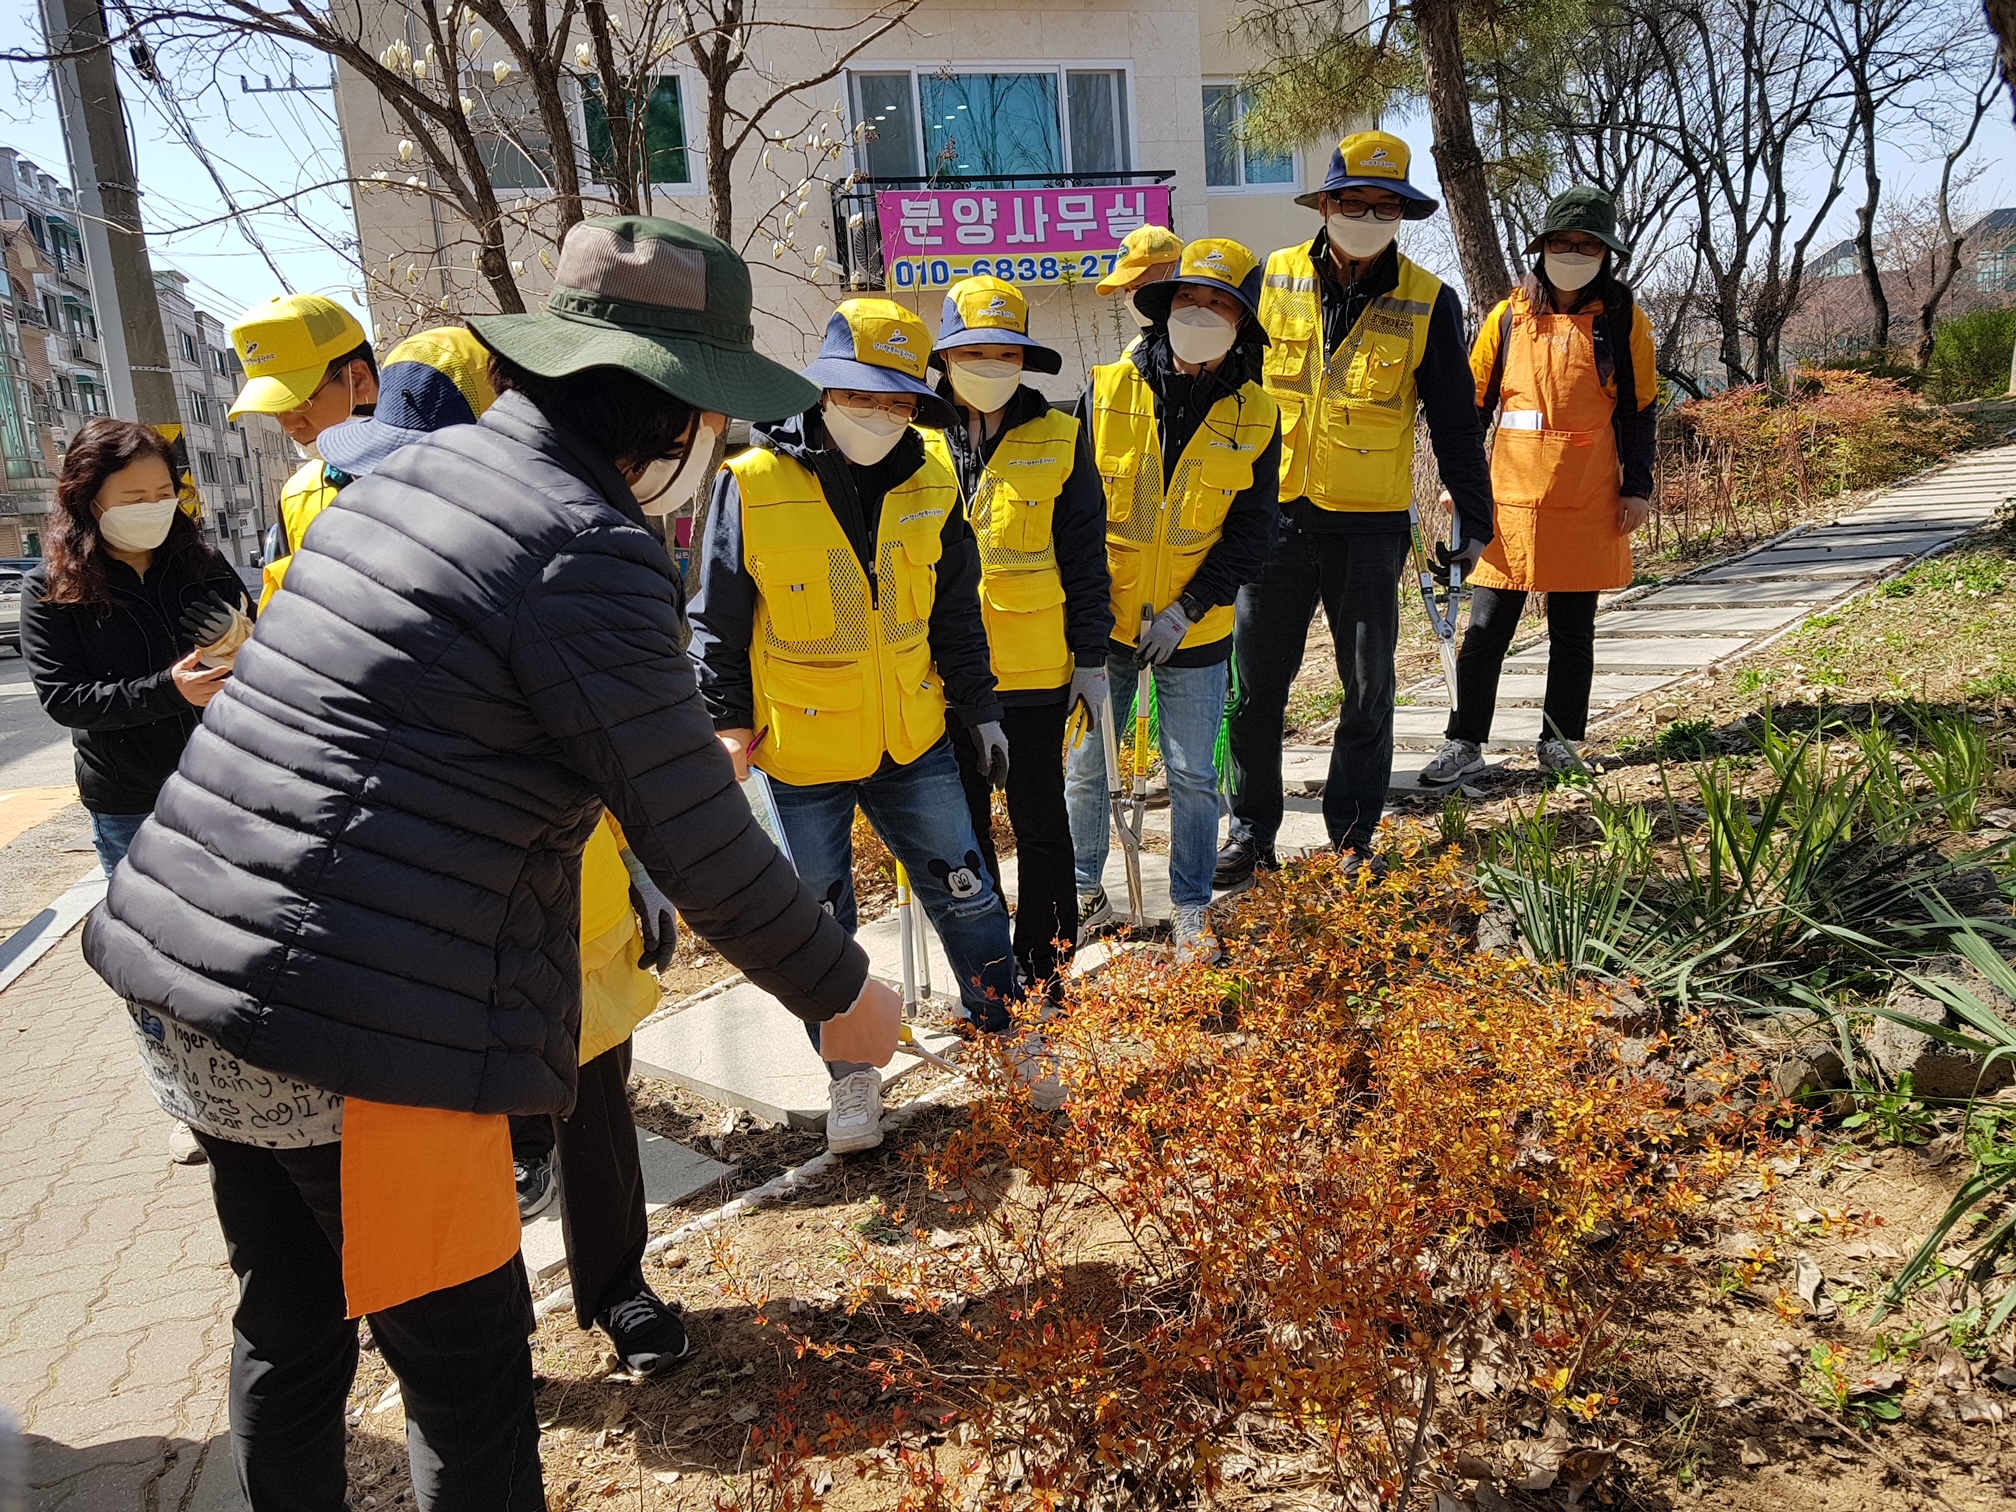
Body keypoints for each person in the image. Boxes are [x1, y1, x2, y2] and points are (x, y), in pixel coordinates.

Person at [83, 216, 902, 1512]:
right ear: (676, 416)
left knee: (287, 1333)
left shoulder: (404, 478)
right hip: (356, 1032)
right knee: (464, 1378)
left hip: (188, 975)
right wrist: (843, 994)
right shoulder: (590, 551)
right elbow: (697, 834)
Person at [314, 324, 693, 1375]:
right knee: (440, 1113)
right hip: (413, 881)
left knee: (593, 1082)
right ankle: (466, 1336)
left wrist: (650, 859)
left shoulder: (586, 535)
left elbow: (632, 728)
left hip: (570, 871)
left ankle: (617, 1287)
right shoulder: (328, 510)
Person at [691, 297, 1035, 1156]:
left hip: (910, 740)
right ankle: (852, 1084)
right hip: (800, 751)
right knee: (821, 922)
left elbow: (955, 609)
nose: (883, 415)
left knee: (968, 893)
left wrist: (980, 708)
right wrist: (727, 728)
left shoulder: (932, 477)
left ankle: (1011, 1033)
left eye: (899, 400)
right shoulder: (752, 481)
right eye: (864, 396)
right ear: (826, 388)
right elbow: (717, 623)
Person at [1219, 131, 1496, 887]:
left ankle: (1350, 840)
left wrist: (1476, 514)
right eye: (1353, 201)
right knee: (1253, 689)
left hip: (1368, 527)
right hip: (1270, 518)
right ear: (1327, 203)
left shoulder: (1430, 301)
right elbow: (1226, 394)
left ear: (1402, 213)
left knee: (1370, 687)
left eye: (1384, 206)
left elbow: (1453, 418)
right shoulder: (1268, 281)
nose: (1366, 216)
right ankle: (1250, 829)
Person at [21, 417, 254, 1167]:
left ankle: (265, 1086)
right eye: (134, 494)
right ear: (89, 499)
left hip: (227, 788)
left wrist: (244, 635)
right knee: (157, 961)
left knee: (242, 943)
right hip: (132, 801)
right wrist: (168, 690)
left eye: (163, 491)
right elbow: (65, 699)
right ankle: (195, 1105)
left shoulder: (201, 565)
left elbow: (263, 657)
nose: (154, 506)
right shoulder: (54, 585)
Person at [1065, 239, 1281, 962]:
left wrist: (1189, 608)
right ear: (1167, 308)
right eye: (1191, 299)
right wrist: (1089, 625)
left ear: (1242, 322)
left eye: (1221, 303)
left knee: (1191, 772)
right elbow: (1079, 516)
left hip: (1197, 627)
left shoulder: (1258, 415)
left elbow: (1252, 533)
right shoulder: (1108, 389)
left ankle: (1190, 904)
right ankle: (1082, 889)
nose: (1202, 313)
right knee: (1090, 762)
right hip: (1109, 621)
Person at [1419, 188, 1659, 784]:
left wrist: (1639, 489)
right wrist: (1462, 485)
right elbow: (1470, 407)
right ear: (1541, 247)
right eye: (1561, 242)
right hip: (1509, 500)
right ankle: (1464, 740)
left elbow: (1639, 410)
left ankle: (1560, 742)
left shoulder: (1625, 320)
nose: (1572, 253)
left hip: (1588, 495)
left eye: (1585, 244)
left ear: (1605, 254)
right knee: (1485, 629)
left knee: (1572, 631)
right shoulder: (1508, 317)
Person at [923, 276, 1112, 998]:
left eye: (1007, 352)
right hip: (941, 680)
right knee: (961, 839)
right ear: (946, 356)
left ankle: (1049, 969)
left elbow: (1086, 560)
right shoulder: (912, 439)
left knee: (1041, 827)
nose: (992, 365)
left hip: (1036, 675)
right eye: (976, 350)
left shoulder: (1061, 436)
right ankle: (988, 975)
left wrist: (1091, 659)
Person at [224, 292, 379, 608]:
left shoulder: (442, 465)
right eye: (274, 409)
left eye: (300, 402)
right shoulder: (298, 493)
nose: (290, 424)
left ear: (359, 379)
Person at [1095, 223, 1184, 341]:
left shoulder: (1210, 336)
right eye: (1126, 290)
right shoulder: (1138, 352)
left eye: (1139, 285)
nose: (1132, 296)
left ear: (1175, 268)